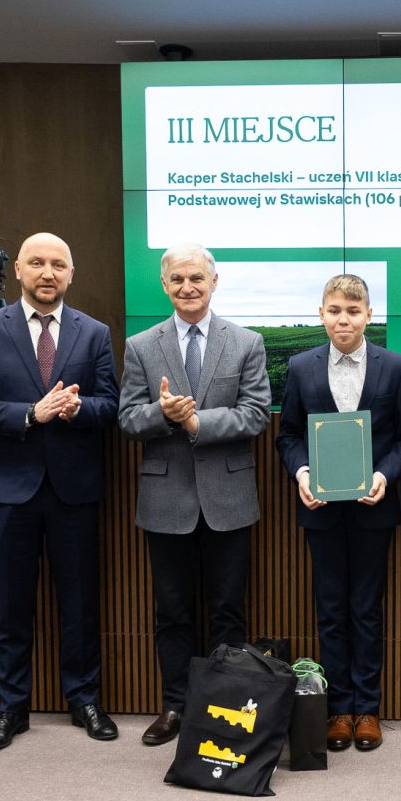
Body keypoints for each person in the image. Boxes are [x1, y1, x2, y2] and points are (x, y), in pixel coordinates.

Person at [0, 232, 120, 752]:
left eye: (58, 264)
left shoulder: (94, 333)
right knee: (11, 606)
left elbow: (111, 405)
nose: (48, 273)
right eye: (37, 263)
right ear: (19, 271)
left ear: (71, 274)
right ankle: (11, 708)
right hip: (10, 492)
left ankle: (84, 699)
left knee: (80, 604)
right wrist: (30, 413)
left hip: (74, 492)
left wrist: (79, 409)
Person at [117, 242, 270, 746]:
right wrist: (161, 414)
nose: (188, 287)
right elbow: (127, 418)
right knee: (172, 611)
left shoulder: (246, 342)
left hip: (229, 499)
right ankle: (176, 706)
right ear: (164, 285)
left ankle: (221, 709)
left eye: (196, 278)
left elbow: (256, 414)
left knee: (228, 610)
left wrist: (196, 422)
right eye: (178, 279)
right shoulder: (141, 346)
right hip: (166, 501)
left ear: (213, 282)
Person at [275, 274, 401, 751]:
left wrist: (384, 475)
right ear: (321, 313)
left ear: (369, 315)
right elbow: (288, 435)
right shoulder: (300, 367)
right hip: (319, 509)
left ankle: (367, 709)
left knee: (366, 610)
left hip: (372, 509)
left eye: (354, 311)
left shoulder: (395, 367)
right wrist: (302, 472)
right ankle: (338, 708)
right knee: (330, 611)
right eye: (335, 310)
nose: (344, 320)